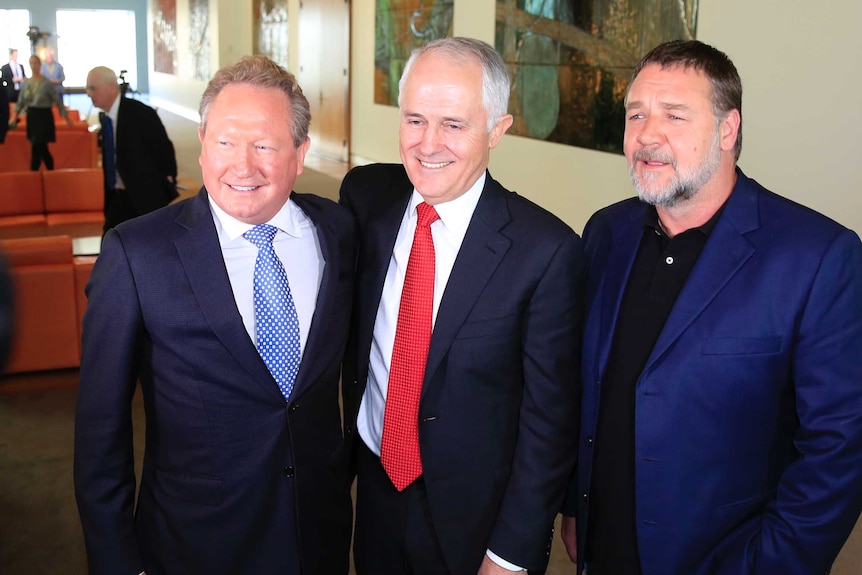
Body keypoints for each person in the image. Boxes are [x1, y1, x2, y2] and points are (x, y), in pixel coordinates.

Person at [560, 40, 862, 575]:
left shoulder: (818, 257)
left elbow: (838, 452)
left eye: (674, 115)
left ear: (728, 130)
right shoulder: (606, 232)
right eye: (636, 114)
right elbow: (587, 388)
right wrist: (576, 505)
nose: (647, 135)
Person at [74, 55, 356, 575]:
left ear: (300, 153)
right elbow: (100, 435)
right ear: (202, 145)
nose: (242, 166)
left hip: (318, 538)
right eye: (225, 142)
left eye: (266, 146)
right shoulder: (138, 254)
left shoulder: (337, 233)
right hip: (193, 545)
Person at [340, 37, 584, 575]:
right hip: (377, 490)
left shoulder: (545, 251)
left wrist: (511, 553)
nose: (428, 144)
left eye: (454, 124)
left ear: (498, 130)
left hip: (477, 518)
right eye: (414, 120)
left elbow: (550, 422)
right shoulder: (366, 199)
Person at [85, 66, 178, 233]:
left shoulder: (140, 114)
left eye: (93, 88)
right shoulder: (106, 118)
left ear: (111, 88)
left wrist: (169, 177)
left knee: (147, 247)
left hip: (143, 198)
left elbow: (164, 148)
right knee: (110, 248)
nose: (88, 93)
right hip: (117, 197)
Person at [9, 54, 73, 171]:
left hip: (44, 116)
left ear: (40, 65)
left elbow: (57, 100)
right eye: (31, 63)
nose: (34, 66)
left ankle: (35, 172)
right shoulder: (27, 83)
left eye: (36, 63)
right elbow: (21, 101)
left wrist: (67, 118)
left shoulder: (46, 83)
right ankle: (48, 171)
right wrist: (14, 117)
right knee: (39, 146)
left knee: (38, 145)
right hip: (32, 115)